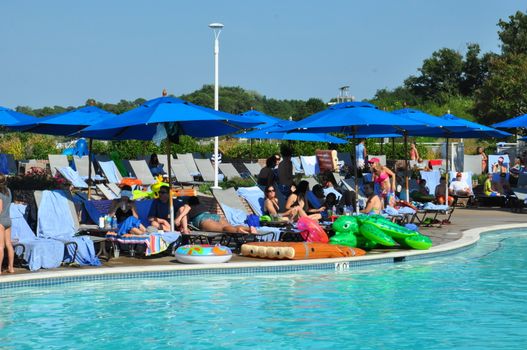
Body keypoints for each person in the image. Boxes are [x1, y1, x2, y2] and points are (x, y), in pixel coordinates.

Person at [175, 196, 256, 234]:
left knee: (223, 229)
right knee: (230, 226)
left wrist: (179, 219)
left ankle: (238, 231)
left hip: (202, 219)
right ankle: (248, 229)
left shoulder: (185, 205)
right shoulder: (200, 205)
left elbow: (186, 209)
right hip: (213, 215)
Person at [0, 175, 13, 274]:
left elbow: (0, 210)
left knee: (0, 246)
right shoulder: (8, 191)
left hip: (1, 221)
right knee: (9, 244)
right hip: (8, 220)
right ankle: (11, 268)